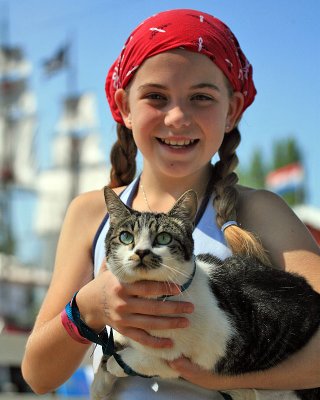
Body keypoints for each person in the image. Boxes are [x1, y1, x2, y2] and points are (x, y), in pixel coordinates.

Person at [22, 8, 320, 399]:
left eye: (201, 97)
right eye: (157, 97)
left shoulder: (260, 211)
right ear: (124, 106)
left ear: (231, 110)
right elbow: (38, 376)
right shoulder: (90, 214)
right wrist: (89, 308)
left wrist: (221, 379)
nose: (177, 117)